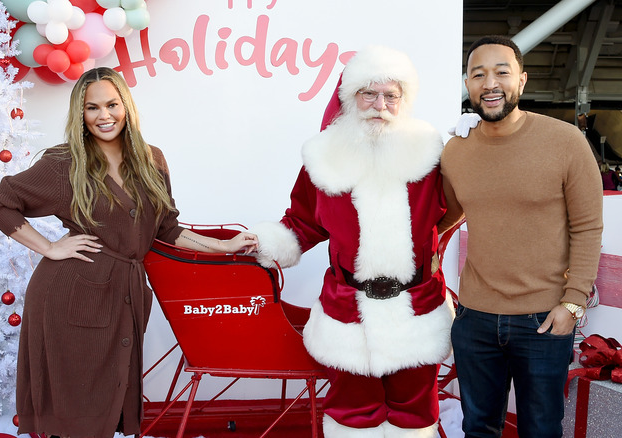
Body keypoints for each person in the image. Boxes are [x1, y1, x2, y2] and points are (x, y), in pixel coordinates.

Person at [0, 67, 257, 438]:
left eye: (112, 104)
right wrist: (48, 247)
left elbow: (167, 229)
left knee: (112, 395)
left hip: (123, 292)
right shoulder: (65, 164)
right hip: (71, 294)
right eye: (92, 108)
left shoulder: (151, 159)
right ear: (81, 114)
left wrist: (223, 245)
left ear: (126, 106)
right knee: (78, 404)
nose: (104, 115)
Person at [251, 46, 453, 437]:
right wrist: (264, 243)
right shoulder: (325, 157)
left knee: (415, 415)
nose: (380, 105)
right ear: (350, 97)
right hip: (348, 312)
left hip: (417, 308)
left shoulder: (429, 153)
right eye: (369, 93)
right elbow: (303, 221)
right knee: (352, 415)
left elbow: (456, 206)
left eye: (391, 95)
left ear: (403, 101)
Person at [440, 35, 603, 438]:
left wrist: (574, 303)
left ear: (522, 81)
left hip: (544, 319)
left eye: (502, 72)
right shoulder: (456, 151)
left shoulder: (565, 141)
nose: (490, 83)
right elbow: (443, 216)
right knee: (478, 427)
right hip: (474, 317)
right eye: (478, 75)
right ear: (468, 84)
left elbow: (587, 226)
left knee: (541, 429)